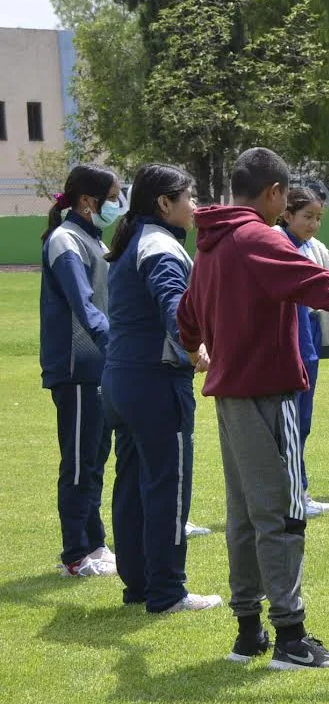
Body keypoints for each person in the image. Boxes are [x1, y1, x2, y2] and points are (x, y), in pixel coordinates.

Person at [177, 147, 329, 670]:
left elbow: (187, 317)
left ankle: (249, 632)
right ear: (274, 194)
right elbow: (327, 287)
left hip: (230, 400)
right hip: (270, 397)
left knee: (245, 515)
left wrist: (199, 347)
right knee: (284, 513)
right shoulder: (260, 239)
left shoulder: (210, 244)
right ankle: (290, 636)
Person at [102, 163, 222, 613]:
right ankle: (168, 592)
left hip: (121, 380)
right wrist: (193, 348)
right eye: (189, 197)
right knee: (167, 487)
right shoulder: (160, 246)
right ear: (164, 203)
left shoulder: (134, 240)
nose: (195, 206)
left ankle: (138, 586)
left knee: (132, 485)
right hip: (155, 382)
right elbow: (173, 303)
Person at [40, 164, 122, 578]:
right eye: (113, 197)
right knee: (77, 463)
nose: (118, 204)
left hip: (99, 369)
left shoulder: (93, 239)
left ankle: (95, 544)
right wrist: (115, 346)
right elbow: (83, 304)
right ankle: (75, 555)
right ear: (88, 201)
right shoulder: (65, 240)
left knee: (94, 460)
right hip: (76, 370)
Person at [277, 188, 329, 515]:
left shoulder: (312, 248)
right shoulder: (278, 245)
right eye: (307, 217)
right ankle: (291, 495)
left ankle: (300, 491)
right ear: (287, 215)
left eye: (318, 218)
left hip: (309, 338)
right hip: (291, 344)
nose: (314, 224)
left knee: (303, 423)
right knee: (289, 424)